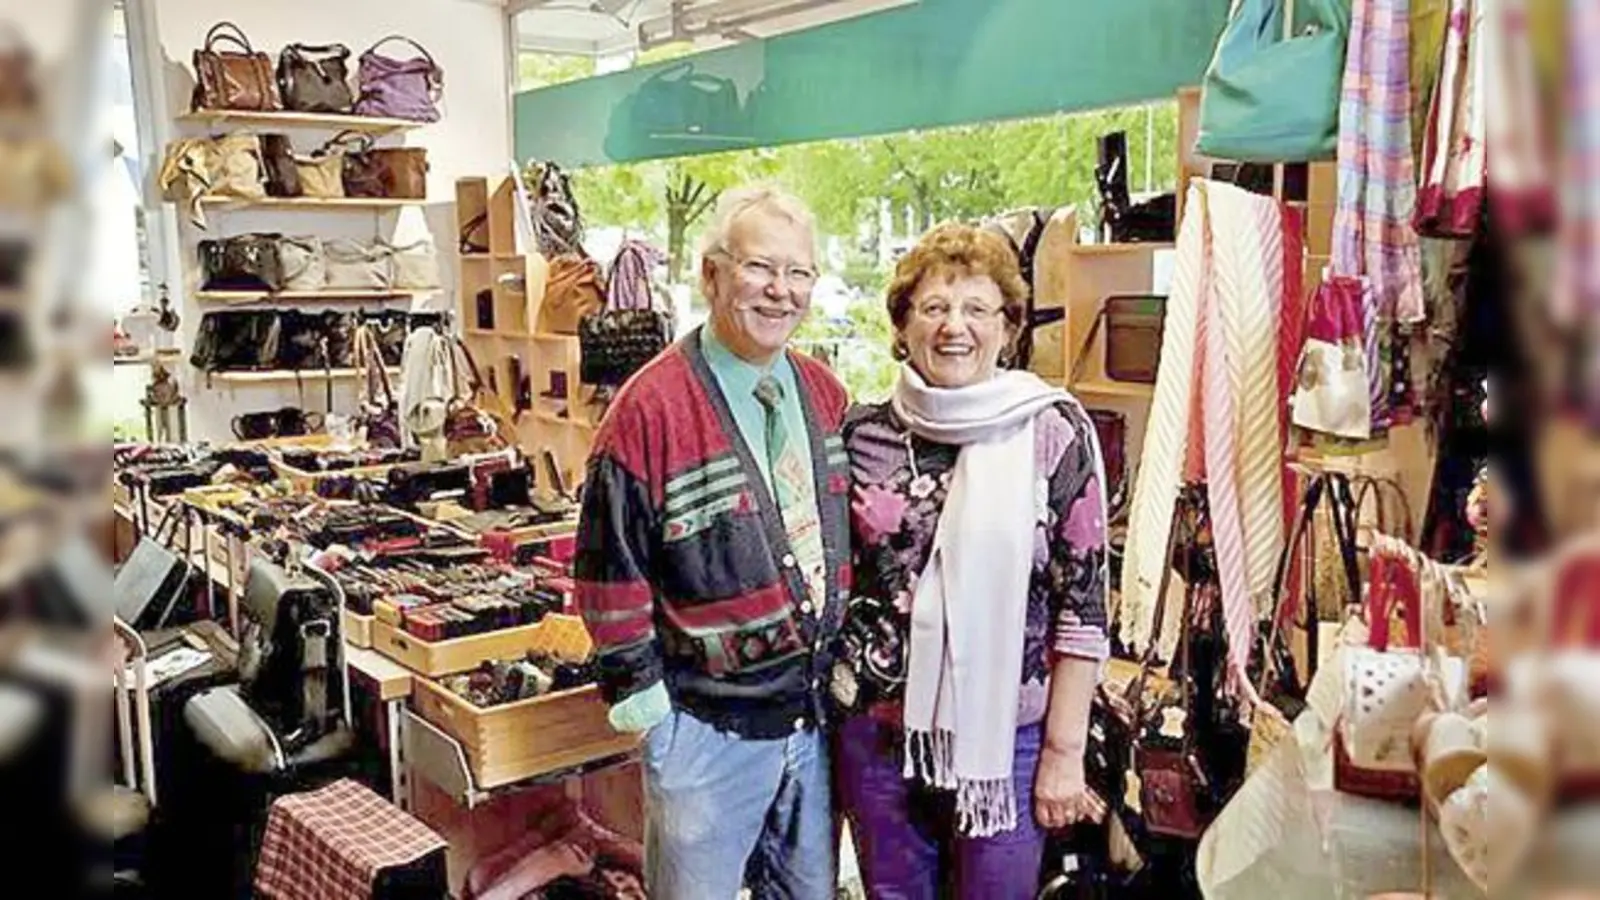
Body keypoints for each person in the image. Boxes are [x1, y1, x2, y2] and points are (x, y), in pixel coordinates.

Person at [573, 186, 851, 900]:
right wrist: (656, 727)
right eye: (760, 268)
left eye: (799, 274)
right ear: (711, 274)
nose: (780, 291)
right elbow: (609, 574)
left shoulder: (824, 395)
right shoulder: (649, 407)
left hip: (811, 723)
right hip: (705, 732)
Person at [830, 222, 1110, 899]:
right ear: (903, 324)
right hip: (879, 740)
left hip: (1008, 743)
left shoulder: (1054, 432)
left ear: (1008, 328)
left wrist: (1064, 757)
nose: (955, 327)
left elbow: (1085, 608)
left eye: (978, 309)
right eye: (934, 307)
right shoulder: (859, 434)